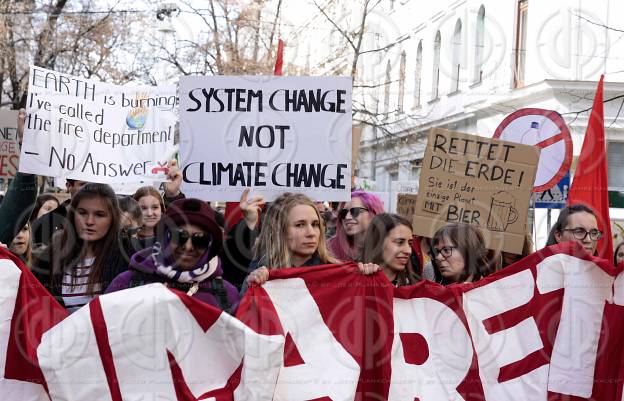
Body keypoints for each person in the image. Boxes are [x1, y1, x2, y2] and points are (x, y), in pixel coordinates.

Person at [106, 198, 239, 312]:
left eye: (200, 239)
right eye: (179, 236)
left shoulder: (226, 294)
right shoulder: (126, 283)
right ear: (164, 238)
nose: (188, 247)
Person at [32, 183, 127, 312]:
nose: (89, 221)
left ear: (112, 218)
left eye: (99, 215)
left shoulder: (126, 257)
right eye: (82, 213)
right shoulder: (50, 258)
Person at [244, 192, 338, 289]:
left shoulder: (336, 273)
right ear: (279, 230)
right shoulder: (261, 270)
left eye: (315, 224)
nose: (311, 233)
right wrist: (252, 286)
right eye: (300, 225)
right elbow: (244, 303)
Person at [360, 213, 419, 286]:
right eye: (399, 242)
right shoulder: (353, 283)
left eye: (410, 244)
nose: (408, 251)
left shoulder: (416, 287)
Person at [328, 191, 385, 261]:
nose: (347, 217)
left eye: (355, 211)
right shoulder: (328, 248)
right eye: (343, 213)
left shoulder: (387, 247)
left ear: (373, 213)